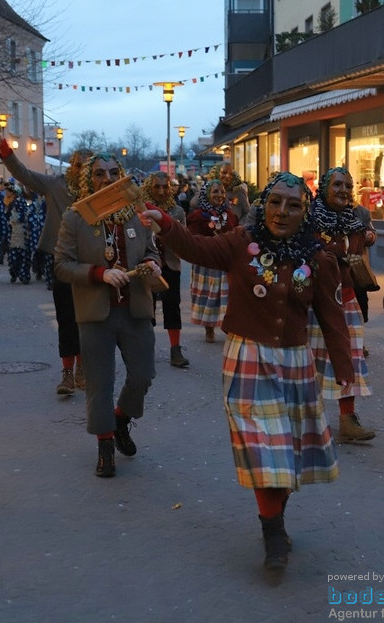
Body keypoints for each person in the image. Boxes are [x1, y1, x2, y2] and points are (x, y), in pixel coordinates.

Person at [141, 172, 354, 571]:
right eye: (275, 201)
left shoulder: (319, 257)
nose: (282, 211)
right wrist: (166, 223)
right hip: (247, 360)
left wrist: (345, 369)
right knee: (264, 450)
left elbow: (331, 315)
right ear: (263, 203)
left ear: (305, 211)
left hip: (295, 362)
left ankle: (276, 518)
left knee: (286, 455)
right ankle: (272, 531)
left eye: (293, 204)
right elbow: (197, 249)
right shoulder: (242, 243)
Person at [54, 154, 162, 478]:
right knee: (99, 383)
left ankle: (120, 419)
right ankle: (104, 448)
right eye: (99, 173)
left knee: (144, 375)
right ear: (89, 179)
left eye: (114, 172)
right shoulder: (75, 217)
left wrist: (154, 262)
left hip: (135, 309)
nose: (107, 178)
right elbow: (61, 265)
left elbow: (152, 249)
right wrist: (99, 273)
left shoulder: (137, 212)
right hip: (96, 312)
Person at [0, 133, 87, 396]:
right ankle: (68, 373)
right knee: (67, 318)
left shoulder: (99, 191)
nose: (81, 171)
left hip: (91, 262)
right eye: (78, 165)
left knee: (88, 319)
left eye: (86, 166)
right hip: (62, 260)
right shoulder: (56, 185)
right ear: (71, 167)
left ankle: (83, 368)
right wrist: (4, 148)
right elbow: (23, 174)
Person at [308, 167, 378, 443]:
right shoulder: (308, 222)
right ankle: (308, 420)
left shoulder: (355, 223)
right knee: (310, 362)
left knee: (348, 359)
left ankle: (348, 419)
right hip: (315, 303)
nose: (344, 190)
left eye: (348, 186)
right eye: (337, 184)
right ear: (325, 187)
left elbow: (362, 244)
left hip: (346, 300)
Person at [142, 171, 189, 368]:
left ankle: (175, 349)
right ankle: (146, 350)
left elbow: (184, 238)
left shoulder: (177, 211)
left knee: (172, 306)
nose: (161, 191)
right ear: (149, 188)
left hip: (170, 263)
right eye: (157, 187)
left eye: (165, 187)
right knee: (146, 308)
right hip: (147, 264)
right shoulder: (140, 209)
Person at [188, 179, 238, 343]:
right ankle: (209, 328)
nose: (219, 195)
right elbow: (192, 238)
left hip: (225, 261)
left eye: (222, 191)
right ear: (207, 194)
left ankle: (229, 327)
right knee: (207, 296)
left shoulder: (230, 214)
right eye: (215, 191)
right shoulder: (197, 216)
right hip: (206, 262)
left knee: (228, 297)